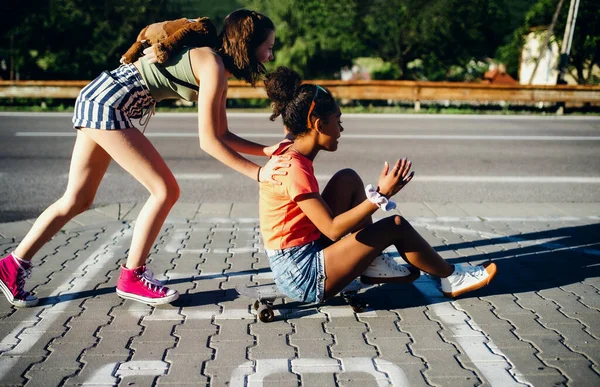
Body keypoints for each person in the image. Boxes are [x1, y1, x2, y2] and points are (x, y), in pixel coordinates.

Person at [0, 9, 290, 308]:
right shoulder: (212, 66)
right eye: (268, 47)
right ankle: (132, 276)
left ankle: (11, 265)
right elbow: (209, 142)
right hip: (110, 105)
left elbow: (223, 133)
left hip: (100, 97)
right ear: (248, 44)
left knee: (77, 199)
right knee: (165, 190)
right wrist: (258, 174)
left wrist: (265, 150)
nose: (270, 56)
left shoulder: (215, 67)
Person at [258, 67, 497, 304]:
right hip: (303, 275)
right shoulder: (294, 169)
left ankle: (373, 263)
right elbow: (331, 229)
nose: (341, 129)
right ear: (319, 125)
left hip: (301, 255)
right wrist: (380, 195)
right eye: (337, 121)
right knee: (396, 226)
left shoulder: (291, 145)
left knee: (347, 179)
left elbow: (292, 122)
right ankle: (451, 277)